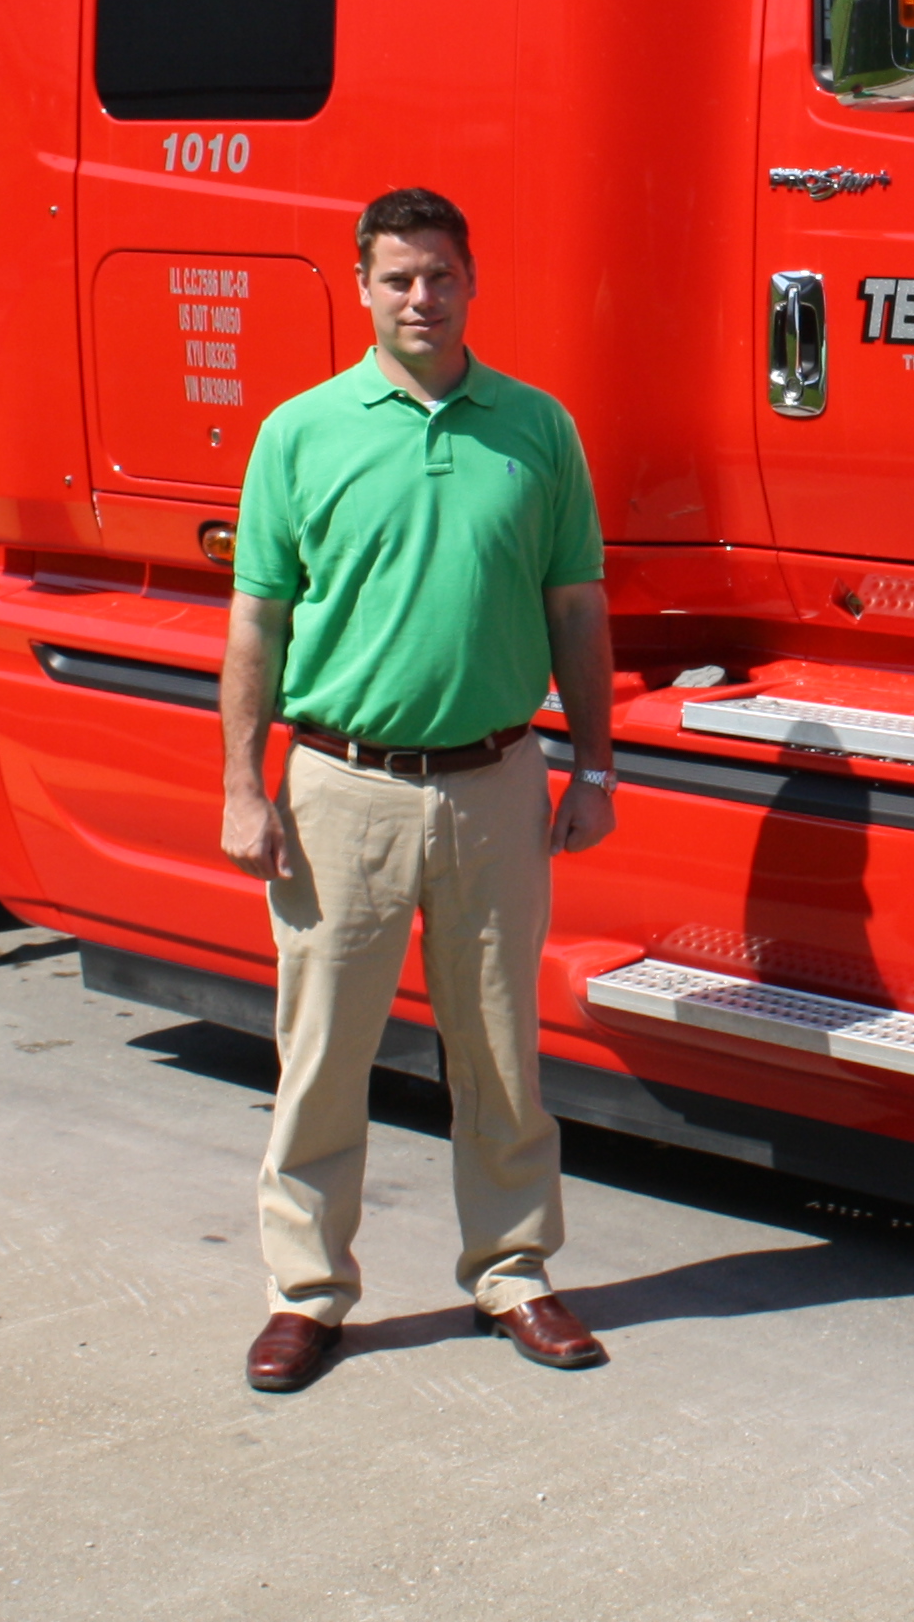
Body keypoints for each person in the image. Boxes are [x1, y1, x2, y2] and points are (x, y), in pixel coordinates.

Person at [220, 186, 620, 1391]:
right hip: (341, 787)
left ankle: (513, 1274)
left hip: (497, 779)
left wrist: (595, 762)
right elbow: (257, 621)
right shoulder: (302, 432)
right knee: (325, 1052)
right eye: (397, 277)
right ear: (362, 287)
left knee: (501, 1051)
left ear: (470, 282)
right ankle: (308, 1294)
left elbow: (576, 609)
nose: (420, 297)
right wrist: (244, 785)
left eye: (440, 274)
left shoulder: (536, 430)